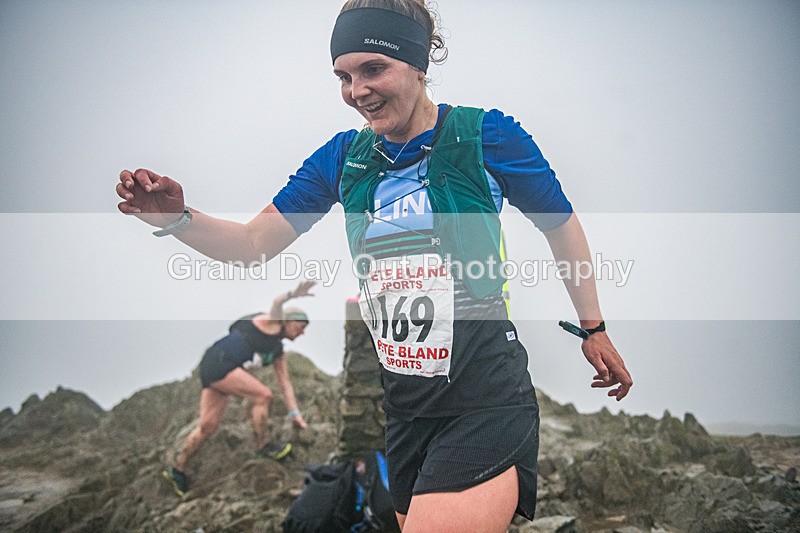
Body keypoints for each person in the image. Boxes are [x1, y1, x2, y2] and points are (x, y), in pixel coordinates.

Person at [118, 0, 633, 529]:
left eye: (373, 69)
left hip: (483, 398)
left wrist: (593, 328)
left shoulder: (486, 137)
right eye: (343, 75)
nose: (355, 90)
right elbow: (252, 245)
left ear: (418, 65)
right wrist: (178, 217)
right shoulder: (343, 159)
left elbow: (560, 224)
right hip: (406, 410)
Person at [162, 281, 313, 497]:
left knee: (208, 426)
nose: (302, 333)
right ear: (289, 321)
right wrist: (294, 294)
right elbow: (277, 302)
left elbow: (285, 384)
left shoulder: (278, 351)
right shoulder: (272, 323)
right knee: (263, 395)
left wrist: (295, 414)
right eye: (302, 327)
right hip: (220, 362)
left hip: (214, 368)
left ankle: (178, 469)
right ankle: (263, 446)